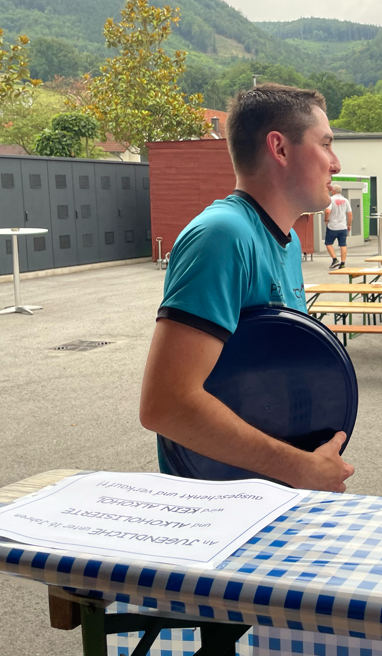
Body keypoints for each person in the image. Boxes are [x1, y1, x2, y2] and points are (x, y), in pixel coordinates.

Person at [139, 83, 355, 492]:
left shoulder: (285, 242)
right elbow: (164, 405)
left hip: (267, 496)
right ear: (280, 148)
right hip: (215, 506)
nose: (336, 163)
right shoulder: (222, 236)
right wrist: (299, 468)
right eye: (325, 144)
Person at [324, 184, 353, 269]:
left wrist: (326, 220)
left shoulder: (331, 200)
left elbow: (327, 211)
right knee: (343, 245)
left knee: (328, 243)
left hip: (332, 226)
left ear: (333, 191)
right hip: (343, 226)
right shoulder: (345, 200)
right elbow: (350, 214)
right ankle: (343, 263)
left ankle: (335, 259)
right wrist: (349, 224)